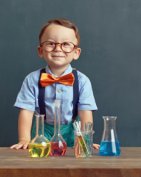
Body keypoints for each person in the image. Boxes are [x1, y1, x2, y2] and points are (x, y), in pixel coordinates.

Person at [10, 18, 99, 150]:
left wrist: (85, 139)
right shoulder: (32, 79)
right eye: (51, 43)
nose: (58, 49)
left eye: (66, 44)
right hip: (42, 130)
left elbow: (85, 113)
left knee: (72, 164)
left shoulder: (82, 81)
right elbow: (26, 111)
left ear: (76, 52)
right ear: (40, 51)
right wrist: (24, 139)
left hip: (73, 130)